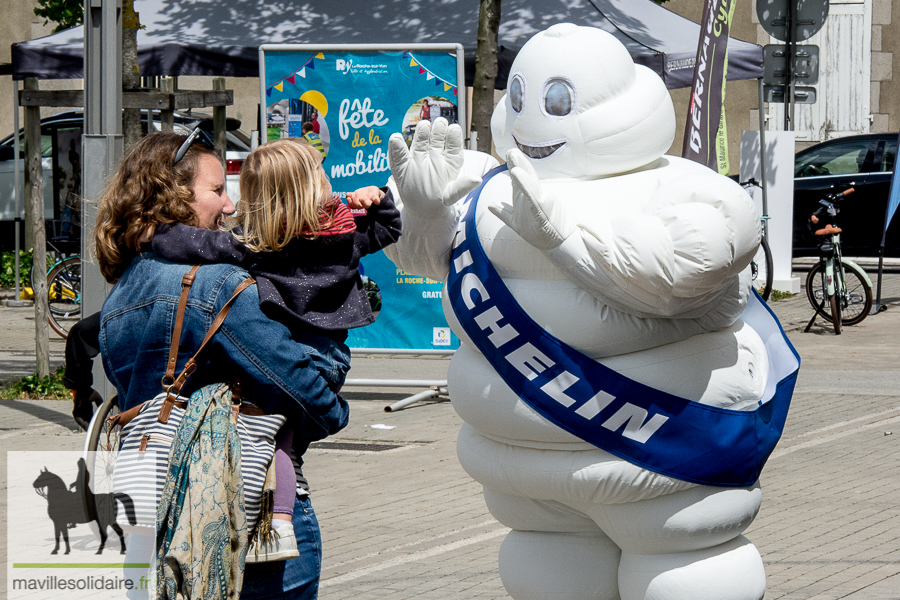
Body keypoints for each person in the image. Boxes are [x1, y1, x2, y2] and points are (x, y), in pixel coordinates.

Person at [93, 131, 348, 600]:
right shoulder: (219, 285)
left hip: (153, 514)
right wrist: (335, 407)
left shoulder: (119, 294)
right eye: (217, 191)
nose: (229, 206)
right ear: (174, 197)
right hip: (249, 519)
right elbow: (306, 393)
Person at [151, 137, 401, 562]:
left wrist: (154, 234)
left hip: (288, 356)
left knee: (276, 439)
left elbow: (194, 244)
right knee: (281, 442)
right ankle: (278, 520)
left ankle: (278, 523)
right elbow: (389, 228)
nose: (330, 179)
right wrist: (378, 200)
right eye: (322, 174)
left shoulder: (256, 246)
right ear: (310, 189)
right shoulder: (344, 235)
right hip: (328, 357)